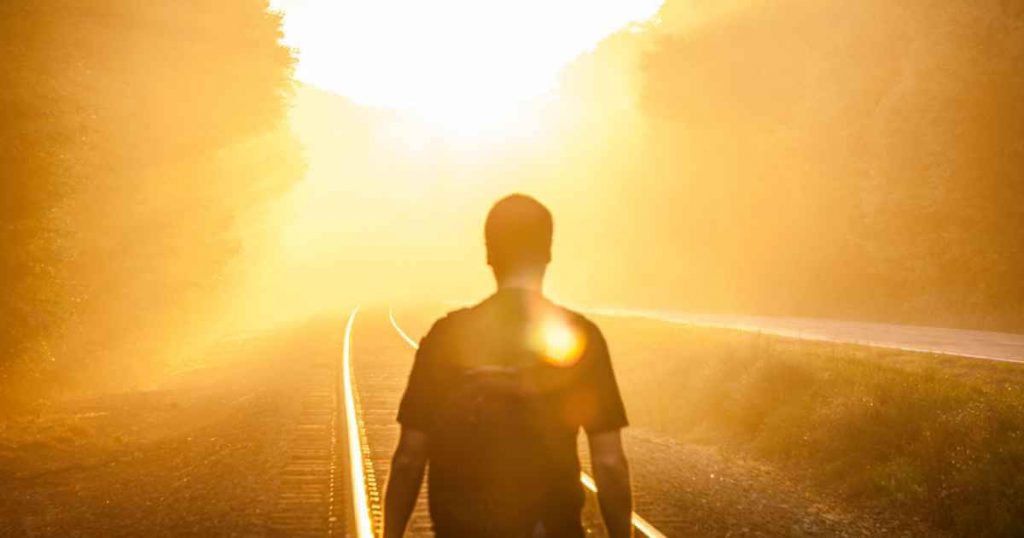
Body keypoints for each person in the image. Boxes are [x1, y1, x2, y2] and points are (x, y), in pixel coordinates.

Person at [383, 194, 633, 538]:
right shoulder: (580, 338)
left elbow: (409, 460)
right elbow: (609, 464)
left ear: (489, 255)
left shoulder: (446, 336)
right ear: (548, 253)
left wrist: (390, 534)